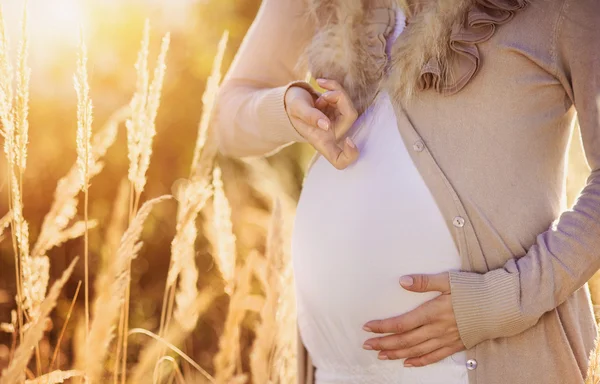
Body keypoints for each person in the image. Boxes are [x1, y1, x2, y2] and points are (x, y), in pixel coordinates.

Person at [214, 0, 600, 383]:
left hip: (484, 366)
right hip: (331, 372)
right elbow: (226, 117)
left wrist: (500, 301)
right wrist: (288, 107)